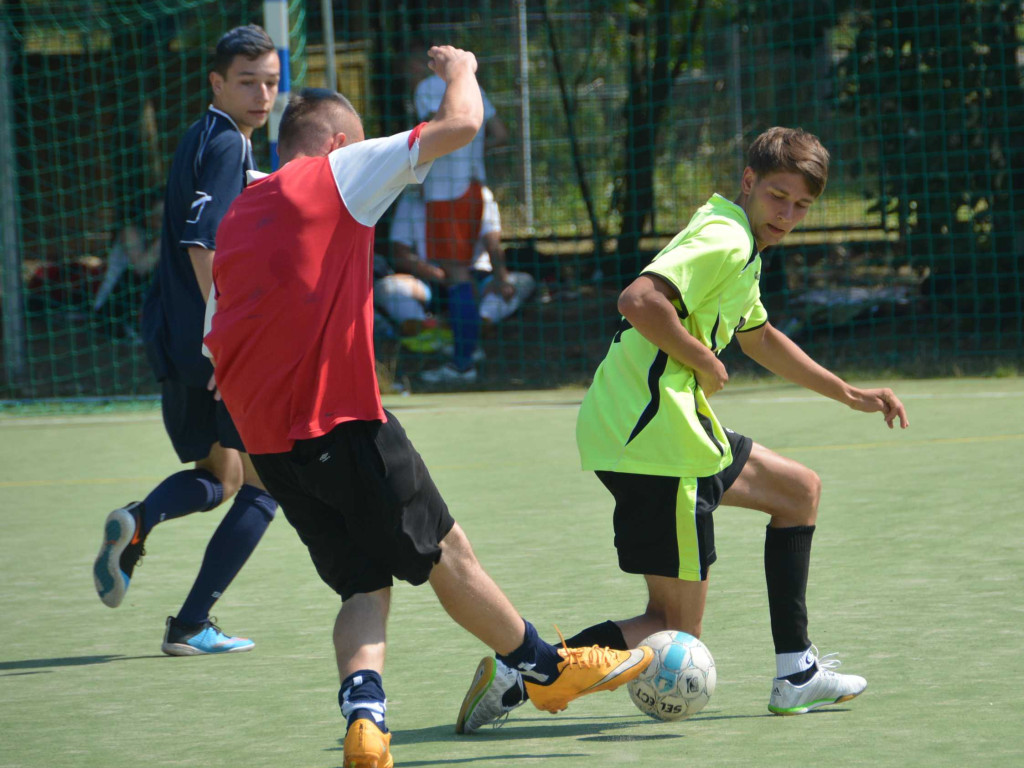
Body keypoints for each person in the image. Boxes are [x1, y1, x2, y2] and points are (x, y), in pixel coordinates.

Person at [202, 49, 652, 768]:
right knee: (447, 551)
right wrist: (464, 67)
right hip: (343, 422)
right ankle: (544, 668)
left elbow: (216, 348)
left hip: (273, 451)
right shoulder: (339, 171)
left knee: (362, 582)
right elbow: (462, 123)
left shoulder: (236, 222)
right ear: (342, 144)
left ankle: (366, 716)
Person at [456, 126, 911, 731]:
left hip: (671, 431)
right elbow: (639, 299)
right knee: (673, 630)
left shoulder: (738, 241)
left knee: (797, 491)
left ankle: (796, 672)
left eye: (802, 205)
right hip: (656, 440)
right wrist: (702, 358)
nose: (789, 214)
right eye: (779, 195)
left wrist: (847, 392)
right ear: (748, 182)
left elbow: (759, 336)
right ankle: (527, 670)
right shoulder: (725, 238)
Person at [92, 25, 281, 656]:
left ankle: (140, 520)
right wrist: (224, 339)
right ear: (217, 84)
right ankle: (191, 623)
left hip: (171, 337)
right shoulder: (228, 143)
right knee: (263, 487)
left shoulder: (199, 137)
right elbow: (203, 243)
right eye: (248, 81)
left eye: (271, 83)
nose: (262, 94)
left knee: (220, 475)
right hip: (209, 345)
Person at [412, 60, 508, 383]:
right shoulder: (472, 85)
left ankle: (463, 364)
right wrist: (474, 151)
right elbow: (500, 133)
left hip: (447, 190)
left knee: (457, 276)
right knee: (463, 273)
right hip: (473, 186)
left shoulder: (426, 87)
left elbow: (433, 129)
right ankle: (469, 347)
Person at [376, 185, 535, 358]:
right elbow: (400, 254)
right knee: (386, 288)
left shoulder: (481, 193)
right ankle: (428, 328)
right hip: (431, 279)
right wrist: (443, 277)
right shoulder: (412, 196)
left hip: (478, 277)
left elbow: (493, 244)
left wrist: (502, 279)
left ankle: (479, 323)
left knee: (522, 282)